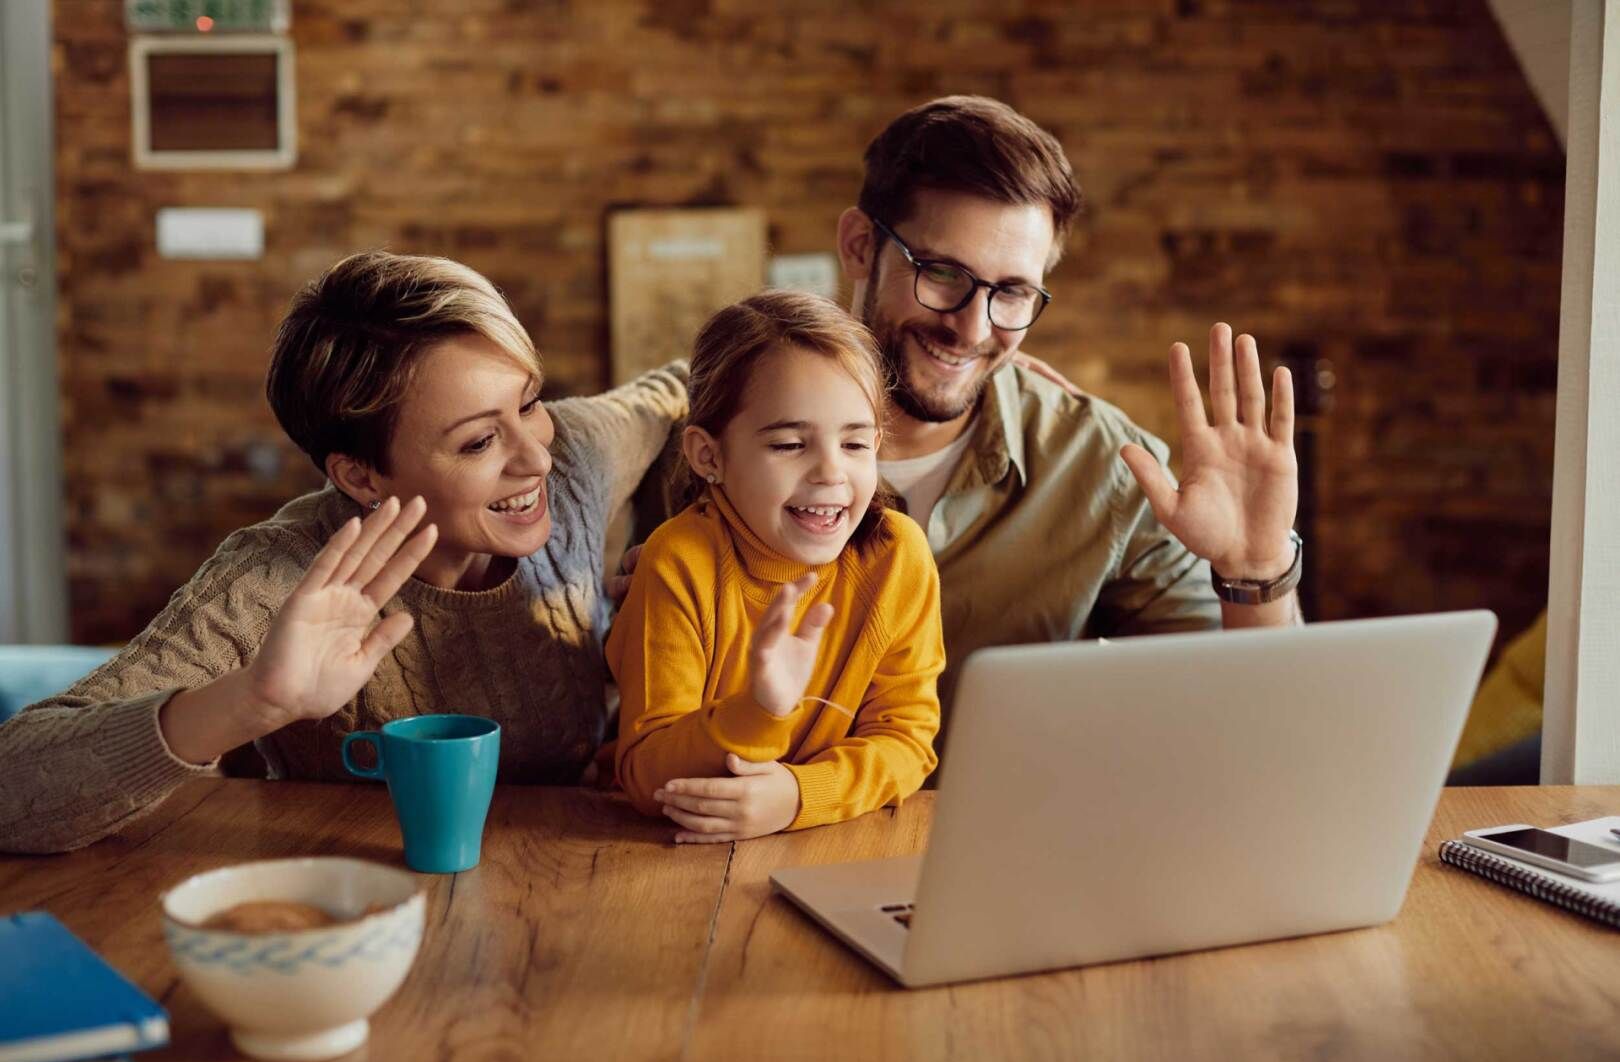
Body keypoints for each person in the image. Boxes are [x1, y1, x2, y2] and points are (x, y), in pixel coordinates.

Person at [618, 97, 1302, 744]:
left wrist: (1256, 569)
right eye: (943, 274)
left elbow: (1252, 724)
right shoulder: (708, 435)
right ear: (859, 246)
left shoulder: (1102, 466)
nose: (972, 329)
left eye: (1012, 293)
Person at [0, 252, 685, 854]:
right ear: (360, 476)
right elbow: (13, 787)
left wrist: (709, 554)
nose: (535, 456)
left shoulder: (575, 453)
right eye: (479, 442)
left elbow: (699, 385)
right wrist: (248, 703)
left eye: (531, 402)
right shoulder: (277, 577)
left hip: (572, 875)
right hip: (362, 909)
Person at [607, 291, 944, 842]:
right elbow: (645, 776)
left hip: (837, 839)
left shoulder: (899, 556)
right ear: (708, 455)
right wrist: (760, 710)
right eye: (790, 444)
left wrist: (797, 795)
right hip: (677, 857)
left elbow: (907, 740)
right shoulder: (677, 561)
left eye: (856, 443)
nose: (831, 473)